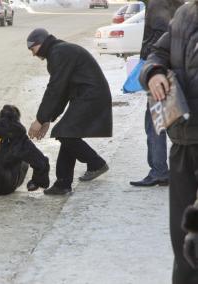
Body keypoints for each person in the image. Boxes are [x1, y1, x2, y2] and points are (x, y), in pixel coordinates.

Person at [139, 1, 198, 282]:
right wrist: (154, 73)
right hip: (185, 142)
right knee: (183, 235)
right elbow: (156, 54)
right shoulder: (185, 15)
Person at [26, 28, 113, 195]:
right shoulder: (58, 51)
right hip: (88, 94)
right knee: (67, 133)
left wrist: (39, 119)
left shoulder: (59, 53)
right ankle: (63, 184)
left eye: (32, 49)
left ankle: (95, 163)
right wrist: (48, 119)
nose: (33, 54)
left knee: (65, 133)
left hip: (91, 95)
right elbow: (63, 90)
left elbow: (55, 89)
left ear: (40, 43)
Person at [130, 0, 183, 187]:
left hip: (161, 71)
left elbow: (160, 40)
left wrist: (148, 62)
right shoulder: (179, 5)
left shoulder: (159, 4)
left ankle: (159, 171)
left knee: (154, 123)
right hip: (172, 70)